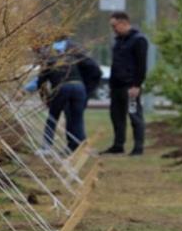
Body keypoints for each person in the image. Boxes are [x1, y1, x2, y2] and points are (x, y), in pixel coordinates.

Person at [24, 38, 100, 153]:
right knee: (77, 119)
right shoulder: (69, 58)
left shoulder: (48, 61)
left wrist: (46, 99)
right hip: (79, 88)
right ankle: (81, 147)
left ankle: (46, 147)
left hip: (62, 88)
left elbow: (41, 82)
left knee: (52, 118)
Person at [102, 12, 148, 156]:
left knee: (134, 116)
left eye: (114, 26)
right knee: (116, 117)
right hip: (116, 86)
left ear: (124, 23)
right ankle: (118, 145)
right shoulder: (118, 41)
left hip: (130, 86)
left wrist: (137, 85)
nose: (113, 29)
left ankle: (138, 148)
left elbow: (141, 65)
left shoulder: (138, 40)